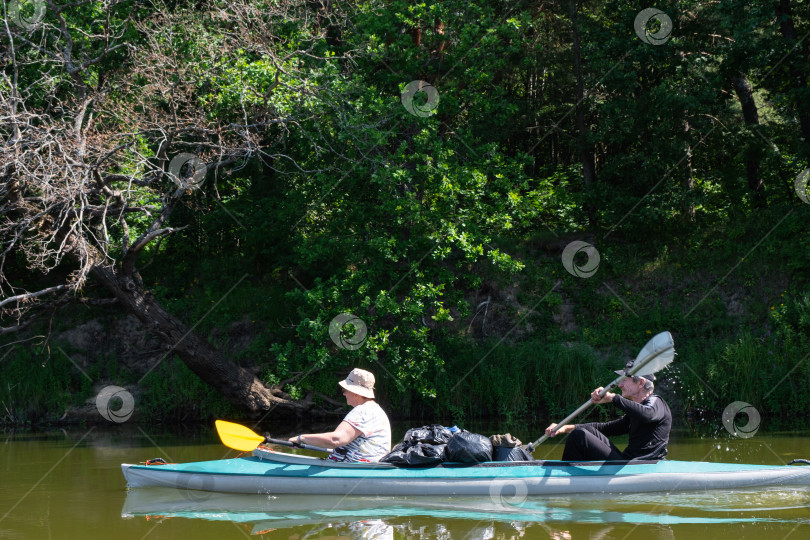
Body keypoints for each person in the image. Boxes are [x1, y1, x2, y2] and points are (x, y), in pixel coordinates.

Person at [545, 371, 671, 461]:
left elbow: (648, 414)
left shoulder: (656, 403)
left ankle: (565, 478)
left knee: (579, 436)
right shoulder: (635, 412)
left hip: (641, 466)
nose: (620, 385)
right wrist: (564, 428)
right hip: (626, 462)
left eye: (624, 380)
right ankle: (570, 474)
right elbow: (605, 428)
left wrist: (614, 398)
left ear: (641, 383)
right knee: (582, 431)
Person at [289, 368, 391, 462]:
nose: (344, 394)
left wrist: (301, 438)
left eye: (345, 390)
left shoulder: (362, 411)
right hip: (369, 467)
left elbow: (336, 440)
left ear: (356, 393)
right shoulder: (376, 410)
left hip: (353, 469)